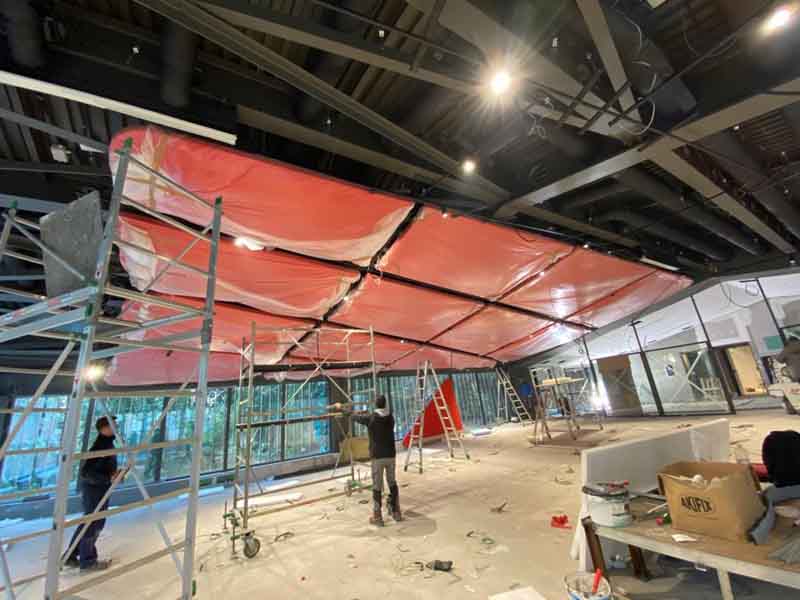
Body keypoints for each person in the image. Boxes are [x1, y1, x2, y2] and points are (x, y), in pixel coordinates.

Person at [63, 416, 120, 571]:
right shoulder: (100, 447)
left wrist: (112, 475)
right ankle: (87, 561)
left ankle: (71, 556)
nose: (116, 427)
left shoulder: (107, 444)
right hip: (94, 489)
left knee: (89, 522)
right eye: (113, 424)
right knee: (93, 523)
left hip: (98, 488)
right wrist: (108, 478)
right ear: (104, 429)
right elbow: (86, 473)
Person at [352, 395, 402, 526]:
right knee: (392, 482)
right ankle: (396, 511)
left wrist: (345, 411)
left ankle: (377, 516)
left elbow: (356, 418)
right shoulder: (390, 417)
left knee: (377, 486)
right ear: (385, 404)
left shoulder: (371, 418)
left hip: (378, 457)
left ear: (375, 404)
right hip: (391, 455)